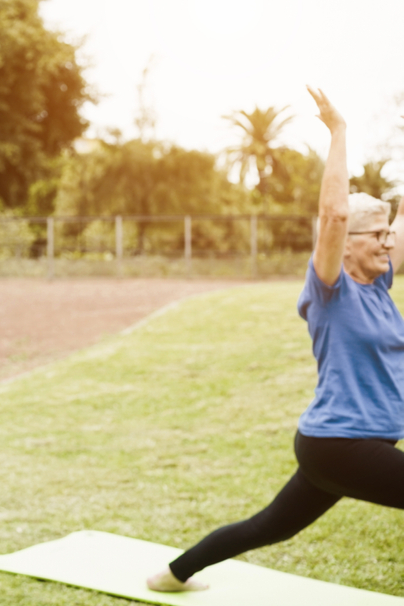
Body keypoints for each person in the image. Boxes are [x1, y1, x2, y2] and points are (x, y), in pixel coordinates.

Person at [147, 86, 404, 593]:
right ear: (346, 245)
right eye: (377, 235)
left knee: (269, 527)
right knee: (271, 526)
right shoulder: (331, 290)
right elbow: (332, 215)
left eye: (389, 234)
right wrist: (339, 131)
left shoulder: (378, 282)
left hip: (344, 444)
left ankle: (172, 575)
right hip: (341, 444)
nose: (388, 242)